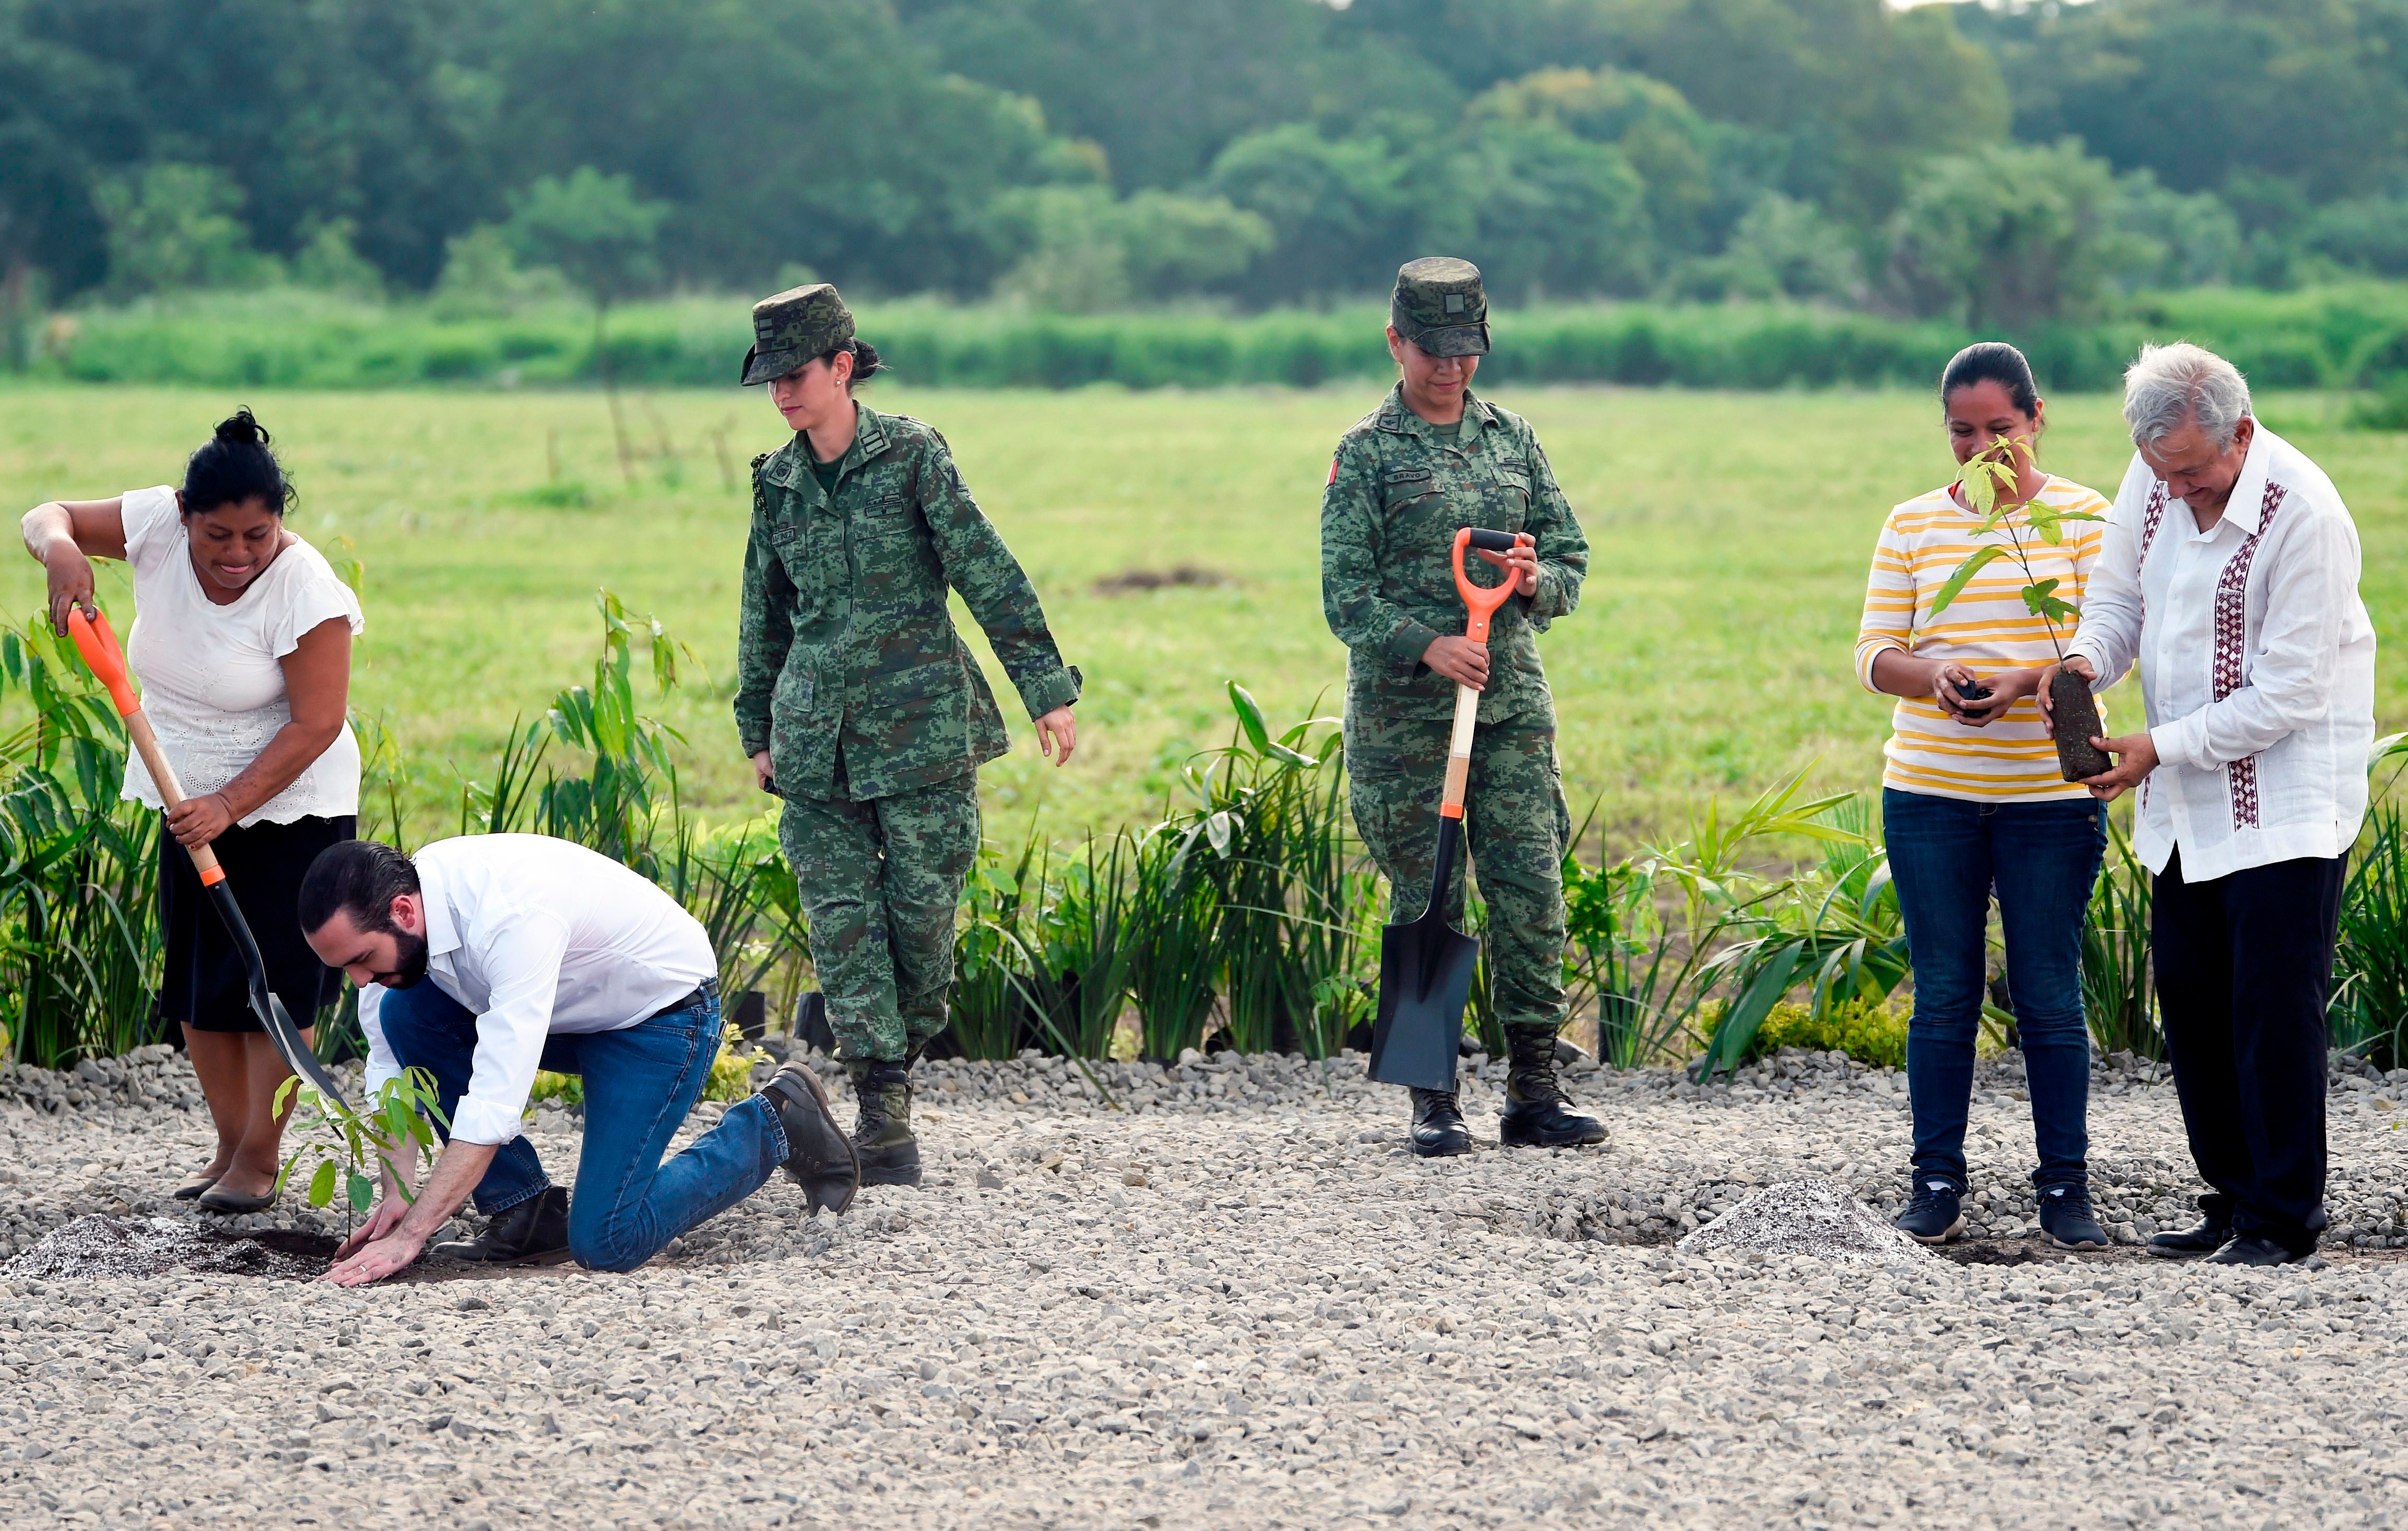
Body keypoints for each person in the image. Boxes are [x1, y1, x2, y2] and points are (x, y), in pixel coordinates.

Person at [734, 283, 1081, 1188]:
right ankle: (881, 1108)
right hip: (815, 743)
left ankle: (898, 1052)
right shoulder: (774, 483)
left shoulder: (915, 456)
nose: (780, 395)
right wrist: (754, 726)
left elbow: (984, 567)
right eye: (768, 380)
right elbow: (762, 614)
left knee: (922, 929)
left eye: (795, 375)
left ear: (843, 368)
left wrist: (1045, 687)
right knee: (843, 927)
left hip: (924, 732)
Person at [2044, 342, 2376, 1268]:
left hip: (2284, 800)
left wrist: (2160, 747)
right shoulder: (2156, 472)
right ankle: (2228, 1199)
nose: (2176, 490)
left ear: (2239, 430)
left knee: (2274, 1008)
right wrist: (2083, 662)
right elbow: (2115, 601)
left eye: (2192, 472)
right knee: (2192, 1001)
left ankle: (2282, 1215)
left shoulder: (2302, 512)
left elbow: (2289, 693)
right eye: (2161, 472)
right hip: (2186, 803)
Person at [19, 409, 362, 1215]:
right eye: (219, 536)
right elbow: (45, 516)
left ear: (281, 521)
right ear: (184, 515)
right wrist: (64, 551)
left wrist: (229, 805)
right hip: (181, 793)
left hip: (289, 806)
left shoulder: (305, 587)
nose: (239, 554)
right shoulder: (153, 526)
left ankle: (260, 1159)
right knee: (204, 985)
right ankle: (226, 1146)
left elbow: (317, 723)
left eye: (259, 534)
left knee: (273, 980)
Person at [1320, 256, 1604, 1158]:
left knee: (1530, 886)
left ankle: (1533, 1088)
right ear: (1395, 341)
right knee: (1425, 895)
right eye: (1432, 351)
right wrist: (1425, 641)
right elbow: (1344, 595)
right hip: (1407, 721)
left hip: (1509, 703)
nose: (1450, 369)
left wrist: (1534, 581)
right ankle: (1431, 1094)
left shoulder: (1511, 438)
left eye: (1466, 350)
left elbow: (1569, 555)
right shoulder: (1366, 453)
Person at [298, 835, 859, 1282]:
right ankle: (527, 1211)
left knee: (609, 1240)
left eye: (363, 959)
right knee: (403, 1014)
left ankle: (775, 1121)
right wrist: (395, 1193)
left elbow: (495, 1099)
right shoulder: (401, 916)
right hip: (573, 1007)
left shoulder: (509, 916)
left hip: (660, 1018)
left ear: (402, 911)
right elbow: (391, 1066)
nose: (359, 979)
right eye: (345, 966)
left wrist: (413, 1233)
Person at [1855, 342, 2115, 1250]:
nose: (1980, 449)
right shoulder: (1914, 524)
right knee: (1944, 993)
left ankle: (2064, 1185)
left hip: (2048, 795)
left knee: (2046, 989)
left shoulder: (2084, 519)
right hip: (1929, 792)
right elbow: (1874, 654)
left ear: (2035, 419)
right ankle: (1934, 1181)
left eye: (1998, 429)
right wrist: (1938, 676)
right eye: (1962, 432)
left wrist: (2021, 680)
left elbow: (2109, 643)